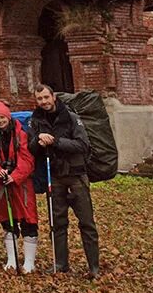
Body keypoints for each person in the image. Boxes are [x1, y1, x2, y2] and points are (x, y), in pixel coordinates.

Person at [27, 83, 100, 278]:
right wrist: (38, 140)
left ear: (53, 97)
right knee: (57, 223)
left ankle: (94, 266)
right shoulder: (36, 121)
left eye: (46, 98)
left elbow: (83, 145)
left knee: (86, 222)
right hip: (56, 177)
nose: (43, 102)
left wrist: (57, 141)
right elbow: (31, 148)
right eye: (39, 99)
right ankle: (60, 263)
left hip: (76, 176)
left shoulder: (71, 118)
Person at [0, 100, 38, 273]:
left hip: (22, 184)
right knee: (7, 221)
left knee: (28, 219)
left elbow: (27, 159)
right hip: (3, 184)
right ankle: (12, 259)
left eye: (2, 117)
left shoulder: (21, 134)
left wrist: (14, 176)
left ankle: (29, 262)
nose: (0, 121)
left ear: (8, 118)